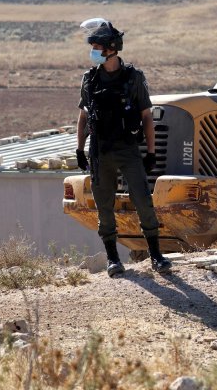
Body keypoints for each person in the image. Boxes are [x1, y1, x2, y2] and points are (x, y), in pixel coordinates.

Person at [75, 18, 172, 277]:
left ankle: (156, 256)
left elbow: (146, 116)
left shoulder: (133, 78)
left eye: (97, 47)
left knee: (143, 201)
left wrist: (151, 153)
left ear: (111, 49)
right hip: (100, 151)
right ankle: (113, 259)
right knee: (104, 206)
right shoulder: (90, 79)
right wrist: (79, 149)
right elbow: (83, 117)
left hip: (128, 149)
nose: (93, 52)